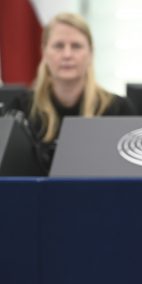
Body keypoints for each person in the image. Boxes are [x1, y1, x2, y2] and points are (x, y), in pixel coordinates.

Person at [7, 12, 134, 175]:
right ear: (44, 52)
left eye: (76, 46)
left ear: (90, 53)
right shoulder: (20, 109)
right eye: (58, 46)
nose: (67, 55)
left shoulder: (118, 109)